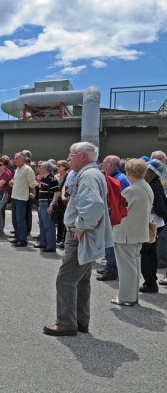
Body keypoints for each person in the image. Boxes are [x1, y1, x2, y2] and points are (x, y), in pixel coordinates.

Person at [43, 142, 112, 336]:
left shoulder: (88, 175)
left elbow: (93, 206)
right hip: (83, 233)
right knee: (81, 280)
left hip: (80, 234)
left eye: (71, 154)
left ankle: (66, 322)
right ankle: (81, 321)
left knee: (65, 279)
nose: (68, 157)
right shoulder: (91, 173)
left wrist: (81, 226)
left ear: (83, 156)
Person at [111, 159, 153, 305]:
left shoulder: (131, 190)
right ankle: (132, 296)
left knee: (126, 268)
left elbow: (118, 210)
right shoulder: (146, 186)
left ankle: (126, 297)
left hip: (126, 234)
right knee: (134, 265)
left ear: (128, 172)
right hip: (139, 233)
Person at [97, 155, 130, 281]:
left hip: (114, 217)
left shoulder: (120, 179)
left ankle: (112, 269)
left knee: (111, 243)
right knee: (108, 242)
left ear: (111, 165)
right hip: (110, 215)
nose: (101, 165)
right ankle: (109, 266)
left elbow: (120, 201)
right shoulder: (113, 177)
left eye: (104, 162)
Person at [140, 159, 167, 293]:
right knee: (150, 252)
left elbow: (161, 208)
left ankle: (150, 284)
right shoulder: (154, 183)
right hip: (156, 223)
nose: (146, 172)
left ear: (152, 173)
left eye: (148, 170)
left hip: (152, 223)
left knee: (145, 252)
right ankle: (151, 281)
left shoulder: (153, 185)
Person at [9, 152, 36, 247]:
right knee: (15, 219)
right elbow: (17, 180)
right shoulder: (17, 169)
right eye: (14, 158)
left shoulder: (28, 170)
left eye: (17, 158)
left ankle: (23, 240)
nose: (14, 160)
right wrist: (12, 181)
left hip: (22, 198)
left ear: (23, 160)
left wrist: (31, 192)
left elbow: (32, 183)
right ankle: (17, 237)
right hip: (14, 196)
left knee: (21, 219)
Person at [35, 161, 60, 252]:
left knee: (49, 226)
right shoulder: (44, 179)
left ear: (45, 169)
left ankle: (51, 246)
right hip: (42, 204)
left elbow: (57, 193)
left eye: (40, 167)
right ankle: (43, 243)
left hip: (47, 204)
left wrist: (51, 205)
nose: (39, 169)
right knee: (42, 224)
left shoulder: (52, 179)